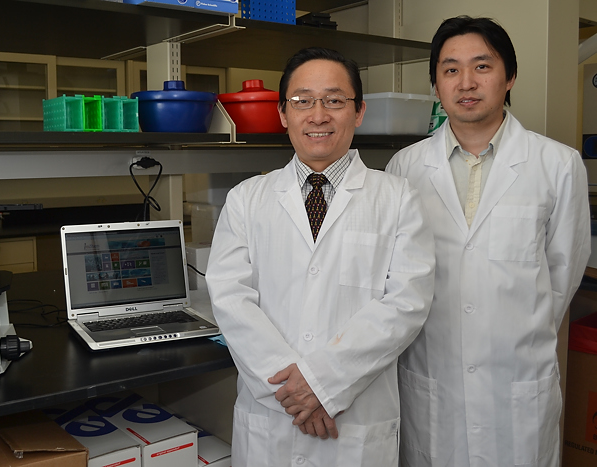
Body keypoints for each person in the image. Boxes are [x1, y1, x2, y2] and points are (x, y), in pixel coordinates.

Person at [205, 46, 436, 467]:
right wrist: (297, 393)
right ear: (282, 113)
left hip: (354, 414)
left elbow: (406, 303)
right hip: (273, 413)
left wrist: (324, 384)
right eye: (302, 101)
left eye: (334, 100)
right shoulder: (246, 200)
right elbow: (230, 300)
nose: (318, 115)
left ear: (359, 111)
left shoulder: (398, 198)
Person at [386, 16, 591, 467]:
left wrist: (509, 330)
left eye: (482, 66)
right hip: (431, 377)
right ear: (436, 84)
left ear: (509, 76)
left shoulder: (558, 164)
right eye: (451, 69)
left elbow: (562, 275)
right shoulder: (405, 168)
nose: (467, 82)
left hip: (517, 381)